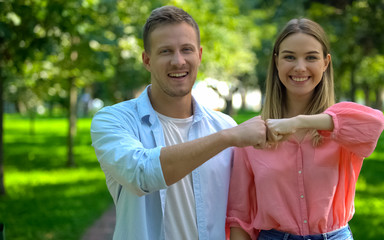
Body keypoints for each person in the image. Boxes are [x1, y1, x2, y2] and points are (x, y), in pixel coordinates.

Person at [90, 6, 267, 240]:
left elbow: (241, 212)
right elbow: (141, 174)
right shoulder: (114, 121)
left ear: (200, 55)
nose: (178, 61)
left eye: (187, 50)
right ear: (147, 60)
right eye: (165, 51)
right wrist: (227, 138)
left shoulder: (224, 124)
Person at [226, 18, 384, 240]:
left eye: (311, 57)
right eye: (289, 57)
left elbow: (374, 124)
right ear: (277, 62)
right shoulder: (252, 134)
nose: (300, 67)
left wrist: (299, 122)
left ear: (326, 63)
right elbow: (239, 216)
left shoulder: (341, 127)